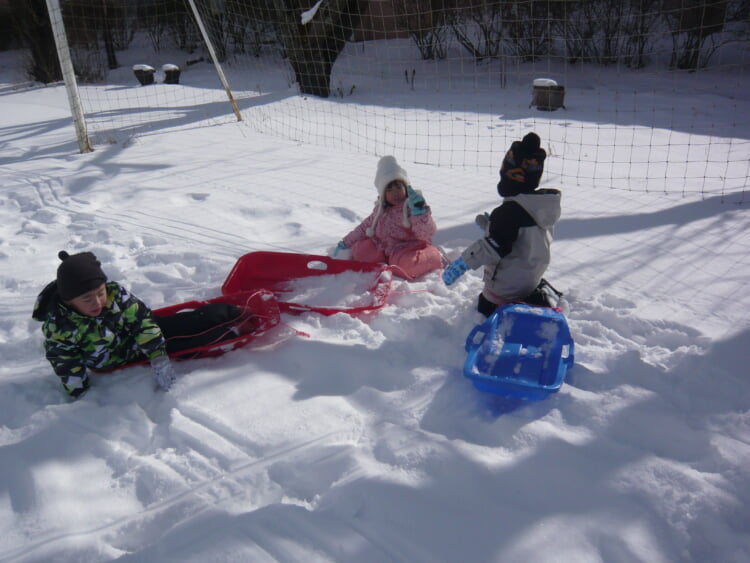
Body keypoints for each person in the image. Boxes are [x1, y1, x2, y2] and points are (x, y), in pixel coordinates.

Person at [442, 132, 562, 316]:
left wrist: (462, 263)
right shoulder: (540, 207)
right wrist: (491, 226)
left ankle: (508, 311)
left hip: (506, 290)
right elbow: (521, 238)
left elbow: (491, 248)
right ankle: (533, 299)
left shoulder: (508, 213)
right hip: (531, 280)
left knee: (484, 306)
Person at [32, 250, 179, 398]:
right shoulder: (60, 326)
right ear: (69, 302)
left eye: (101, 293)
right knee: (182, 340)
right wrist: (80, 393)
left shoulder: (116, 294)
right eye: (87, 299)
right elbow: (65, 361)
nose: (97, 302)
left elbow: (141, 320)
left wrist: (157, 355)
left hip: (135, 343)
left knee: (176, 324)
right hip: (106, 362)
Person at [332, 155, 443, 280]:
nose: (395, 193)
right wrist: (345, 243)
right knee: (359, 251)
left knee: (404, 266)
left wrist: (419, 214)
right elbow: (364, 228)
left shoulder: (411, 207)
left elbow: (427, 233)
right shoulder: (380, 209)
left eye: (399, 187)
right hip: (385, 247)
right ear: (383, 193)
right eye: (389, 189)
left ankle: (433, 257)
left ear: (406, 188)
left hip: (408, 249)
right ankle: (387, 261)